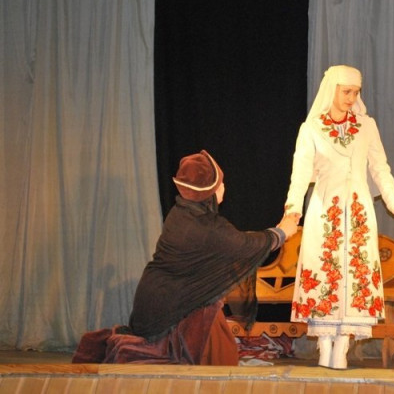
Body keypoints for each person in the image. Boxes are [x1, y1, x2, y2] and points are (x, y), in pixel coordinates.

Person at [73, 149, 298, 365]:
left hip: (155, 300)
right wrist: (282, 232)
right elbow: (243, 245)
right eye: (220, 183)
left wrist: (276, 233)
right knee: (219, 349)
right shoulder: (203, 226)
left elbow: (230, 241)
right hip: (166, 311)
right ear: (209, 191)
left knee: (212, 312)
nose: (224, 187)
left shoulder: (182, 213)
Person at [284, 65, 394, 369]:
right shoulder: (311, 128)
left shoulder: (366, 126)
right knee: (324, 272)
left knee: (356, 274)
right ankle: (324, 345)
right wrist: (293, 209)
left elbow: (380, 169)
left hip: (358, 213)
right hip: (324, 212)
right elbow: (300, 174)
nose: (351, 98)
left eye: (356, 92)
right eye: (346, 91)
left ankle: (342, 346)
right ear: (332, 89)